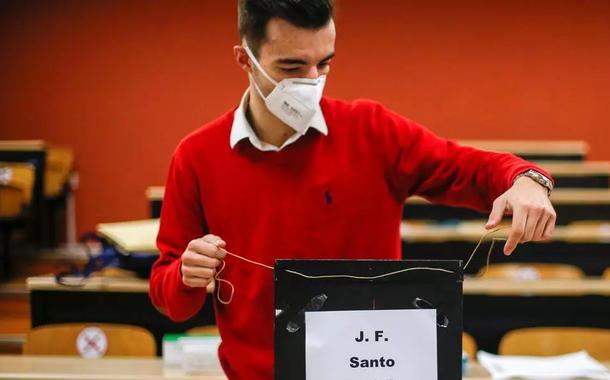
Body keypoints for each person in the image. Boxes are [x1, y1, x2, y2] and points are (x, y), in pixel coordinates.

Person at [149, 1, 556, 378]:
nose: (312, 82)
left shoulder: (371, 131)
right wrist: (186, 274)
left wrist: (525, 180)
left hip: (373, 368)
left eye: (323, 63)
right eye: (291, 67)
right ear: (246, 60)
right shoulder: (197, 156)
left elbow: (465, 167)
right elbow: (169, 297)